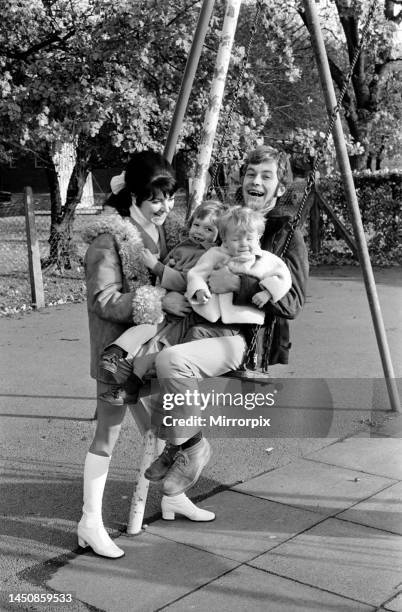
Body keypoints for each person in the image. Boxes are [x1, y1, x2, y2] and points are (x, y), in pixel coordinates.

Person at [146, 145, 309, 499]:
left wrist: (239, 286)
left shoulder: (285, 233)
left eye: (267, 176)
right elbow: (196, 265)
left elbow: (293, 301)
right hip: (200, 321)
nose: (256, 181)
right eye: (251, 174)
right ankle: (181, 444)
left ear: (280, 187)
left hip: (245, 339)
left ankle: (191, 446)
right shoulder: (226, 220)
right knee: (136, 373)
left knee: (170, 362)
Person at [78, 151, 214, 561]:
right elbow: (104, 300)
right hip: (117, 358)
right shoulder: (108, 241)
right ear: (134, 195)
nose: (166, 207)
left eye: (171, 198)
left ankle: (173, 498)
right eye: (157, 198)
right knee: (108, 437)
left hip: (154, 350)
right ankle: (89, 521)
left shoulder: (163, 234)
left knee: (169, 421)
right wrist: (159, 302)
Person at [97, 200, 224, 405]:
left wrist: (157, 266)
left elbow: (187, 280)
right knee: (147, 328)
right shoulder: (184, 245)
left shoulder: (209, 255)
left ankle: (130, 389)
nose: (199, 232)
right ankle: (114, 353)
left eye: (209, 229)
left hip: (183, 312)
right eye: (196, 225)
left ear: (219, 235)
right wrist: (164, 264)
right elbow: (171, 265)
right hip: (166, 303)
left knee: (152, 352)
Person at [186, 206, 292, 323]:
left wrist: (268, 293)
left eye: (249, 239)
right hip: (209, 314)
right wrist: (199, 289)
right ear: (224, 239)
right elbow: (197, 274)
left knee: (197, 334)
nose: (243, 244)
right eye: (236, 240)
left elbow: (283, 278)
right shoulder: (214, 254)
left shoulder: (264, 259)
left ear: (258, 238)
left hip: (244, 319)